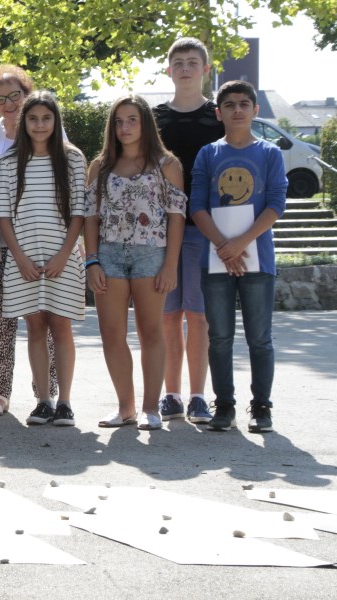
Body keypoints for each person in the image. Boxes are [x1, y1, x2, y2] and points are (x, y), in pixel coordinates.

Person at [189, 80, 287, 433]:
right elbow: (197, 206)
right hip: (216, 261)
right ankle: (225, 405)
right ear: (219, 113)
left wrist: (241, 242)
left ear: (255, 110)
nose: (237, 110)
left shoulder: (270, 153)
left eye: (244, 104)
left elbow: (275, 204)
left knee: (259, 338)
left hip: (258, 259)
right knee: (219, 338)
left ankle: (261, 407)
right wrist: (223, 246)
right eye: (229, 105)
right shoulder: (208, 154)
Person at [86, 95, 186, 431]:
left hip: (151, 253)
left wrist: (170, 265)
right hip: (109, 254)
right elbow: (90, 217)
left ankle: (150, 409)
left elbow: (176, 217)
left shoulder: (167, 164)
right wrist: (91, 261)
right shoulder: (100, 166)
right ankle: (125, 408)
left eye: (131, 120)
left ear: (145, 123)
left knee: (151, 331)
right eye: (118, 121)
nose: (124, 127)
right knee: (112, 334)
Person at [0, 91, 87, 428]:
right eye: (32, 119)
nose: (39, 125)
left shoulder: (72, 158)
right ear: (23, 122)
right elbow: (3, 215)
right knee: (35, 328)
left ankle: (65, 402)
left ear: (55, 120)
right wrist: (19, 258)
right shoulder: (9, 161)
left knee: (61, 327)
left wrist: (64, 254)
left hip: (63, 258)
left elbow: (79, 212)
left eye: (46, 118)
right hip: (25, 260)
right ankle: (43, 401)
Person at [0, 64, 59, 417]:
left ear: (28, 93)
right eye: (0, 99)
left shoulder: (51, 132)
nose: (9, 104)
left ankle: (47, 393)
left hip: (42, 242)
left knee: (44, 321)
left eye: (15, 95)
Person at [154, 37, 224, 424]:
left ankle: (199, 396)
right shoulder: (153, 118)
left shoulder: (219, 116)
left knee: (198, 315)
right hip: (158, 231)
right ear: (169, 70)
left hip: (204, 228)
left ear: (205, 69)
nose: (185, 68)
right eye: (178, 62)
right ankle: (171, 395)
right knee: (167, 315)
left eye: (192, 62)